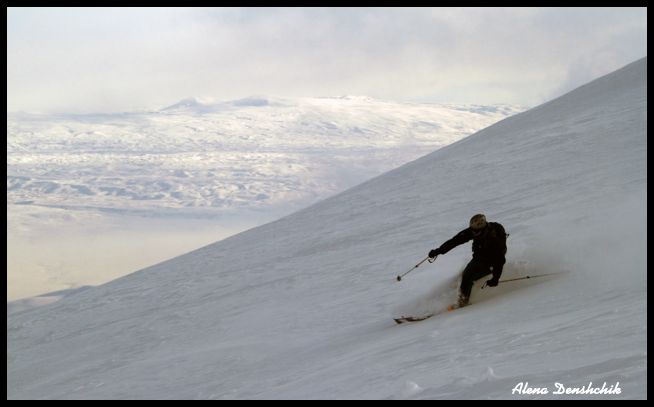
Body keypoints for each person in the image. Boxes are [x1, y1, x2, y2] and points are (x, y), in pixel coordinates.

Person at [428, 214, 507, 308]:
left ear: (484, 229)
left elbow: (500, 260)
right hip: (479, 257)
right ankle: (463, 296)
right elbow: (455, 241)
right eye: (472, 231)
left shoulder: (493, 239)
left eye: (476, 232)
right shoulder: (474, 230)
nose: (474, 233)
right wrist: (439, 251)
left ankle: (463, 303)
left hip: (492, 260)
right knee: (465, 275)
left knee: (468, 277)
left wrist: (495, 278)